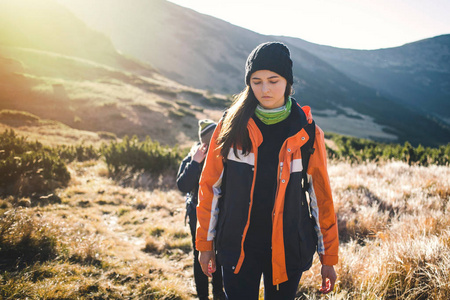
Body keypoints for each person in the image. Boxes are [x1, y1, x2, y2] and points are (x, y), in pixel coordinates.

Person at [195, 42, 339, 300]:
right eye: (256, 81)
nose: (264, 89)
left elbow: (321, 198)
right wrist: (205, 245)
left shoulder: (307, 132)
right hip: (237, 249)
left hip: (288, 249)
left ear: (288, 82)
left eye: (273, 80)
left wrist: (328, 257)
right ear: (248, 83)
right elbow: (210, 188)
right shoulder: (229, 126)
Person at [177, 119, 226, 300]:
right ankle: (203, 296)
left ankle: (219, 293)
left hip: (221, 215)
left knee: (220, 256)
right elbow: (182, 185)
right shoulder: (193, 157)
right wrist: (195, 162)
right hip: (196, 214)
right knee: (200, 255)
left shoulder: (224, 156)